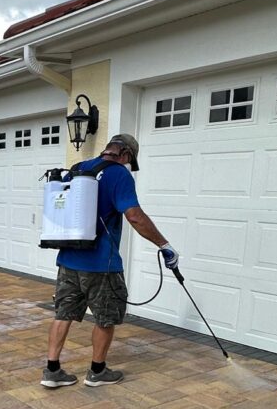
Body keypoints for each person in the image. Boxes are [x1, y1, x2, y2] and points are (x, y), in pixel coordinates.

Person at [41, 133, 179, 388]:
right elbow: (135, 216)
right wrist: (164, 245)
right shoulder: (119, 174)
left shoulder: (79, 168)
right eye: (129, 161)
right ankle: (97, 371)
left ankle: (52, 370)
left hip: (68, 259)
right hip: (101, 264)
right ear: (126, 154)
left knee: (63, 313)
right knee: (106, 316)